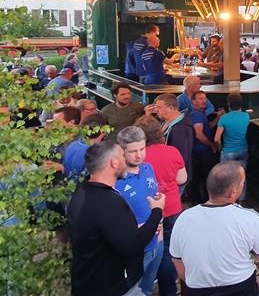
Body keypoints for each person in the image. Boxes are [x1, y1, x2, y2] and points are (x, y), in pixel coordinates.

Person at [68, 140, 165, 296]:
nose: (125, 159)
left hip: (87, 281)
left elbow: (104, 232)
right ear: (114, 163)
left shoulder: (83, 192)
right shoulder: (108, 202)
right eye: (122, 155)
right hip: (112, 287)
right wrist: (157, 211)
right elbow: (133, 244)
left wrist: (136, 228)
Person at [170, 162, 259, 294]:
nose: (243, 186)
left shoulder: (184, 218)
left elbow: (177, 260)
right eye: (242, 183)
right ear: (233, 193)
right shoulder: (249, 218)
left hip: (198, 289)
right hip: (241, 288)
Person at [138, 116, 186, 296]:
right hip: (172, 207)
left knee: (150, 249)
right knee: (168, 251)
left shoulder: (140, 156)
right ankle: (168, 290)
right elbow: (182, 179)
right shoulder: (172, 151)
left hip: (147, 211)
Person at [114, 126, 163, 295]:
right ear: (122, 151)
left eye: (142, 149)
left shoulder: (148, 168)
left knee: (147, 289)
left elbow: (154, 197)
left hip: (157, 242)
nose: (139, 155)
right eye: (133, 151)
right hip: (136, 249)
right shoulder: (115, 180)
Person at [214, 93, 250, 200]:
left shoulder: (224, 118)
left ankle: (226, 199)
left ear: (228, 104)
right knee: (241, 176)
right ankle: (241, 200)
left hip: (228, 152)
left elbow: (216, 138)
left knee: (226, 178)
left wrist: (219, 147)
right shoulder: (246, 116)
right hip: (243, 150)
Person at [154, 93, 195, 185]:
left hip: (173, 177)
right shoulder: (165, 121)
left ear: (171, 108)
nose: (156, 110)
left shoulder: (181, 129)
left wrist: (170, 175)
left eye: (159, 107)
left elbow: (181, 157)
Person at [188, 91, 219, 203]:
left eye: (205, 98)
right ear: (193, 102)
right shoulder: (196, 115)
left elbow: (208, 127)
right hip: (201, 152)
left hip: (200, 152)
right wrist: (211, 145)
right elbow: (199, 134)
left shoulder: (201, 114)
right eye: (200, 98)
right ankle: (203, 200)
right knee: (204, 177)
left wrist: (218, 117)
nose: (204, 101)